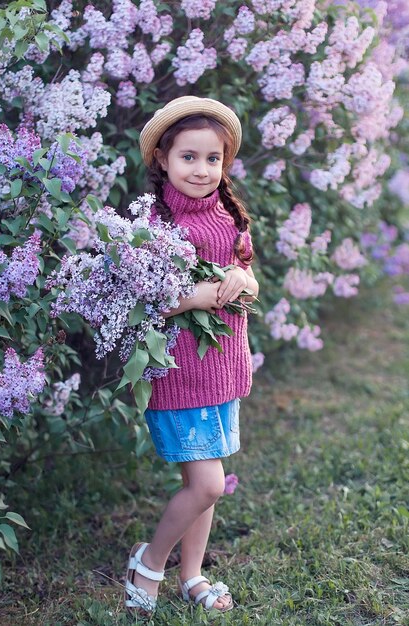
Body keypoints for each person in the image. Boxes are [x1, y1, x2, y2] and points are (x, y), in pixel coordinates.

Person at [124, 96, 259, 616]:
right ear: (162, 158)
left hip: (223, 370)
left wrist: (240, 278)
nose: (202, 169)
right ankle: (150, 563)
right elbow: (139, 298)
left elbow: (251, 283)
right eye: (188, 157)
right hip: (179, 375)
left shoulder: (229, 217)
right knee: (206, 484)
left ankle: (193, 573)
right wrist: (196, 296)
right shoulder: (155, 226)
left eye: (213, 159)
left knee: (203, 487)